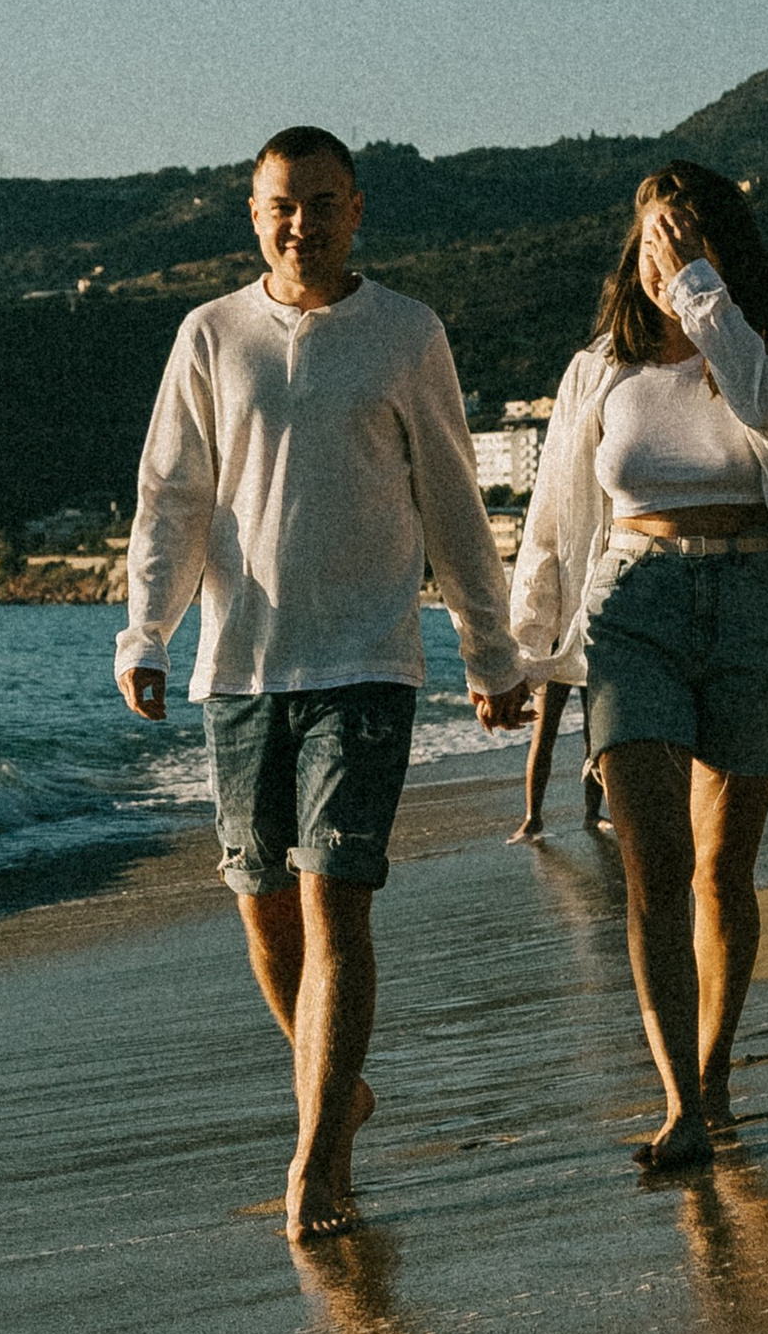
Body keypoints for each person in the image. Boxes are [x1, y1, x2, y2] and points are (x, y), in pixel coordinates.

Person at [119, 126, 534, 1242]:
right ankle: (335, 1086)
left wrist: (489, 656)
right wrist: (144, 633)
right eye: (276, 204)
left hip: (364, 661)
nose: (296, 221)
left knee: (332, 903)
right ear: (252, 213)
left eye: (318, 202)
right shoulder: (209, 334)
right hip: (240, 666)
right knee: (263, 915)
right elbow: (171, 495)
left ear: (357, 209)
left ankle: (317, 1161)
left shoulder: (406, 334)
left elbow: (453, 500)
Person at [510, 162, 768, 1174]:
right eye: (648, 241)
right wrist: (517, 649)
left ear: (719, 251)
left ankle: (716, 1072)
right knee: (654, 871)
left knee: (724, 870)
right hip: (635, 608)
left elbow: (764, 411)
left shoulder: (760, 354)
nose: (661, 258)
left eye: (681, 238)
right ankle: (679, 1101)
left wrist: (699, 290)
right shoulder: (598, 371)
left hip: (753, 608)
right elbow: (550, 519)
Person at [509, 679, 605, 842]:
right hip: (552, 658)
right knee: (543, 733)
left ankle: (593, 814)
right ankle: (532, 818)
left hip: (589, 655)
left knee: (595, 735)